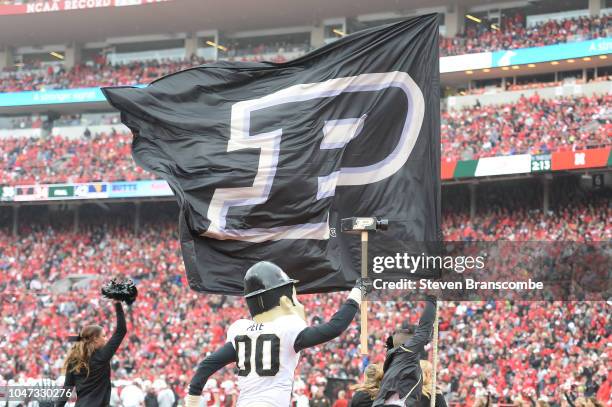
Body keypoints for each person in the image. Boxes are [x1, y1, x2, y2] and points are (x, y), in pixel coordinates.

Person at [185, 261, 367, 407]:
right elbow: (334, 328)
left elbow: (206, 366)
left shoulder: (240, 330)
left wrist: (192, 403)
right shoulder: (287, 327)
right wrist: (356, 294)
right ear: (284, 300)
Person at [55, 301, 127, 407]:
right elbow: (121, 331)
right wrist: (117, 304)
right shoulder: (102, 356)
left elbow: (67, 390)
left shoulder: (73, 361)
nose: (106, 339)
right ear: (95, 339)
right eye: (104, 336)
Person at [372, 295, 437, 406]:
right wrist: (432, 299)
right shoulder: (407, 351)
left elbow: (424, 336)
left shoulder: (397, 359)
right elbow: (424, 329)